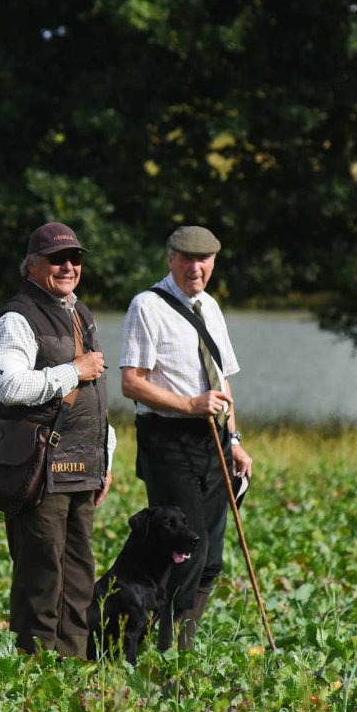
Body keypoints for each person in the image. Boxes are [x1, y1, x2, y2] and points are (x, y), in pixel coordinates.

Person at [119, 225, 254, 651]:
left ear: (213, 263)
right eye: (186, 259)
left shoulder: (210, 307)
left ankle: (183, 643)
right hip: (166, 438)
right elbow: (132, 384)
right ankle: (158, 645)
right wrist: (189, 405)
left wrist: (234, 440)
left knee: (211, 556)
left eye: (204, 260)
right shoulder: (146, 306)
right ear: (170, 259)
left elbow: (223, 383)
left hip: (212, 440)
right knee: (184, 548)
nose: (195, 268)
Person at [0, 222, 115, 658]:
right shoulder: (16, 318)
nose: (68, 266)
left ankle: (73, 671)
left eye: (75, 258)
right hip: (40, 469)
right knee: (41, 577)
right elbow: (11, 387)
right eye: (57, 258)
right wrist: (73, 371)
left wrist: (105, 458)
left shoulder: (81, 313)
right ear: (32, 265)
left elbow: (96, 397)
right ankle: (34, 679)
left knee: (78, 576)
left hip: (82, 467)